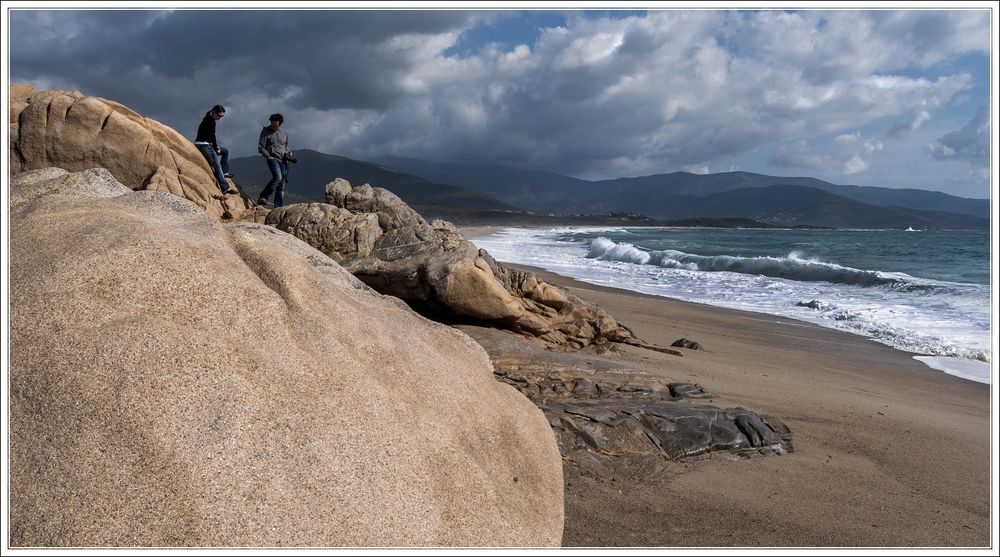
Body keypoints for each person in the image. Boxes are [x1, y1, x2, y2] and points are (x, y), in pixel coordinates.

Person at [194, 104, 234, 195]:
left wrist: (215, 146)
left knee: (226, 151)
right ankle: (225, 188)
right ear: (214, 112)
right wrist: (216, 147)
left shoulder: (208, 117)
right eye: (219, 116)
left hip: (207, 143)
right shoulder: (210, 121)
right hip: (203, 144)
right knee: (217, 166)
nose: (220, 118)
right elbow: (212, 136)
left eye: (222, 116)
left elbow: (209, 137)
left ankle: (224, 173)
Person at [256, 113, 293, 208]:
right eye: (272, 124)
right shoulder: (265, 131)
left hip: (284, 160)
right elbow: (261, 147)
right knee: (278, 178)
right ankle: (263, 196)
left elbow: (285, 146)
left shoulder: (284, 133)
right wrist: (268, 156)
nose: (273, 127)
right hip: (272, 158)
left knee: (282, 184)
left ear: (280, 124)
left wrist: (289, 153)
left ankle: (278, 206)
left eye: (276, 125)